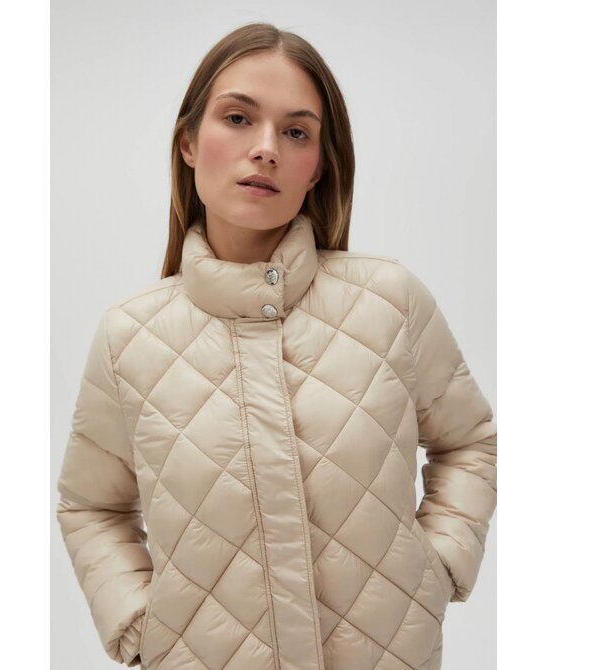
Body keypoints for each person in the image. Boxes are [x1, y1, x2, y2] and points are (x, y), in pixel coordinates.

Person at [56, 22, 497, 670]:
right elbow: (91, 506)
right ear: (188, 142)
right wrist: (142, 626)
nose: (265, 149)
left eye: (296, 132)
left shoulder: (389, 303)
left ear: (318, 167)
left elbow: (470, 442)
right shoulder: (130, 338)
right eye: (238, 118)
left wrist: (438, 569)